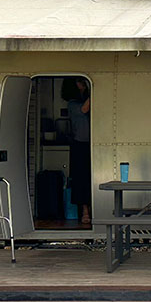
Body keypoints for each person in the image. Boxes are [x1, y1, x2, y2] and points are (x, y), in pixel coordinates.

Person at [64, 77, 91, 225]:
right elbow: (84, 108)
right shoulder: (72, 104)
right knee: (81, 180)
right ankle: (85, 212)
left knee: (88, 178)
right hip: (80, 145)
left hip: (90, 143)